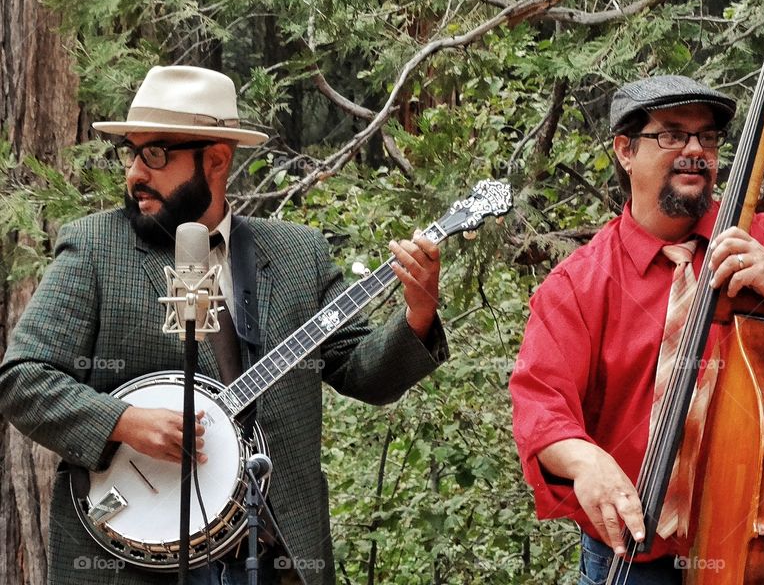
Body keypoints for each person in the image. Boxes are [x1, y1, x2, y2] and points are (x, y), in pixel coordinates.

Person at [0, 65, 448, 585]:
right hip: (134, 560)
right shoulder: (96, 249)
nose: (134, 174)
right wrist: (124, 422)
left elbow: (361, 371)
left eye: (155, 154)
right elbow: (22, 378)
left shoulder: (296, 255)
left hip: (273, 555)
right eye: (131, 152)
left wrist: (417, 314)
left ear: (215, 159)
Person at [509, 75, 764, 585]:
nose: (695, 151)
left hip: (755, 551)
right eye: (672, 134)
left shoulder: (762, 244)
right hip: (631, 561)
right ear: (625, 150)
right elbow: (540, 405)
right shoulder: (577, 285)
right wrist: (585, 459)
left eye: (707, 138)